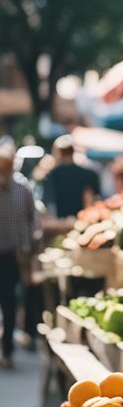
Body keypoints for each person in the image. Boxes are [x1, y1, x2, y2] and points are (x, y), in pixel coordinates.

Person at [0, 143, 38, 369]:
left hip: (13, 255)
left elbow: (32, 218)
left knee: (9, 302)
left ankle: (8, 349)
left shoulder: (22, 188)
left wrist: (30, 246)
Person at [42, 135, 100, 219]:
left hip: (61, 224)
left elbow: (49, 206)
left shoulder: (51, 176)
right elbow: (93, 201)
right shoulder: (89, 174)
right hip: (84, 221)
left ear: (58, 153)